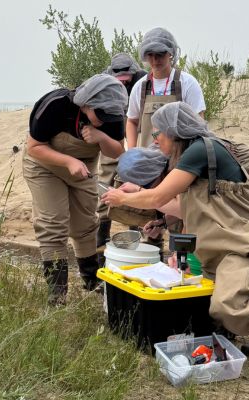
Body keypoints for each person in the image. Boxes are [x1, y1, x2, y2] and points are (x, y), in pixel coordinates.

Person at [102, 102, 249, 360]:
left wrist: (122, 198)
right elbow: (186, 205)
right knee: (210, 303)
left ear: (174, 133)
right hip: (227, 244)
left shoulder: (199, 149)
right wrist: (161, 220)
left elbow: (158, 199)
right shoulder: (194, 155)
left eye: (158, 134)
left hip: (246, 242)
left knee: (228, 306)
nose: (156, 141)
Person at [23, 74, 128, 305]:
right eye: (99, 115)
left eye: (109, 116)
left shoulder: (111, 113)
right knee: (54, 222)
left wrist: (100, 136)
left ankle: (91, 280)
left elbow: (117, 151)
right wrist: (68, 162)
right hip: (44, 166)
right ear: (86, 103)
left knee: (85, 223)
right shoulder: (55, 105)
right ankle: (57, 292)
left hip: (83, 168)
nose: (104, 120)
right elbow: (34, 147)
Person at [96, 53, 147, 259]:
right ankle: (102, 230)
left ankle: (135, 227)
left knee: (135, 177)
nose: (124, 85)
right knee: (107, 175)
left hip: (136, 127)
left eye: (127, 81)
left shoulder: (143, 79)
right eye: (120, 82)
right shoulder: (104, 81)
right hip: (113, 126)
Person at [126, 27, 206, 149]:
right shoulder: (140, 87)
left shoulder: (187, 83)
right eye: (150, 55)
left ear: (170, 53)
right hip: (146, 162)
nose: (155, 60)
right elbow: (132, 121)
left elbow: (199, 125)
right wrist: (132, 154)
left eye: (160, 54)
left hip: (179, 162)